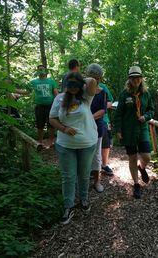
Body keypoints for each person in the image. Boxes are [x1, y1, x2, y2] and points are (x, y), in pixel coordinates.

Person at [49, 72, 98, 225]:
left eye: (76, 85)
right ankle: (68, 206)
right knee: (68, 176)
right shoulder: (59, 98)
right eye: (69, 85)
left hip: (87, 143)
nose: (73, 88)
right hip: (65, 144)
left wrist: (78, 80)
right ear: (65, 85)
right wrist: (64, 129)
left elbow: (92, 82)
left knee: (84, 174)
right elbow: (52, 118)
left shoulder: (86, 97)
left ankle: (83, 199)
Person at [114, 66, 155, 199]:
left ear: (141, 79)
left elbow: (151, 110)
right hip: (129, 131)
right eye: (133, 78)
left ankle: (142, 167)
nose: (135, 80)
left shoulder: (146, 94)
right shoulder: (124, 94)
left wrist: (146, 116)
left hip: (142, 129)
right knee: (132, 157)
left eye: (138, 77)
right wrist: (118, 130)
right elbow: (119, 114)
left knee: (147, 156)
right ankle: (136, 185)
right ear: (129, 79)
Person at [86, 64, 108, 192]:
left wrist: (89, 117)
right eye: (94, 78)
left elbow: (103, 110)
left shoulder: (102, 92)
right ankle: (84, 178)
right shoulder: (81, 91)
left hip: (96, 127)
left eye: (98, 78)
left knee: (96, 156)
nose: (96, 81)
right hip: (82, 128)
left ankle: (97, 182)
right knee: (84, 154)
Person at [30, 65, 58, 147]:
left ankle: (51, 141)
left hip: (50, 106)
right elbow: (26, 92)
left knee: (51, 124)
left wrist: (59, 103)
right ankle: (40, 142)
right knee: (40, 125)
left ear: (45, 71)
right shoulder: (34, 82)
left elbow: (56, 93)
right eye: (39, 70)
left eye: (42, 69)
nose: (41, 71)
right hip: (39, 106)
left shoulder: (51, 81)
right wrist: (12, 89)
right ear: (37, 71)